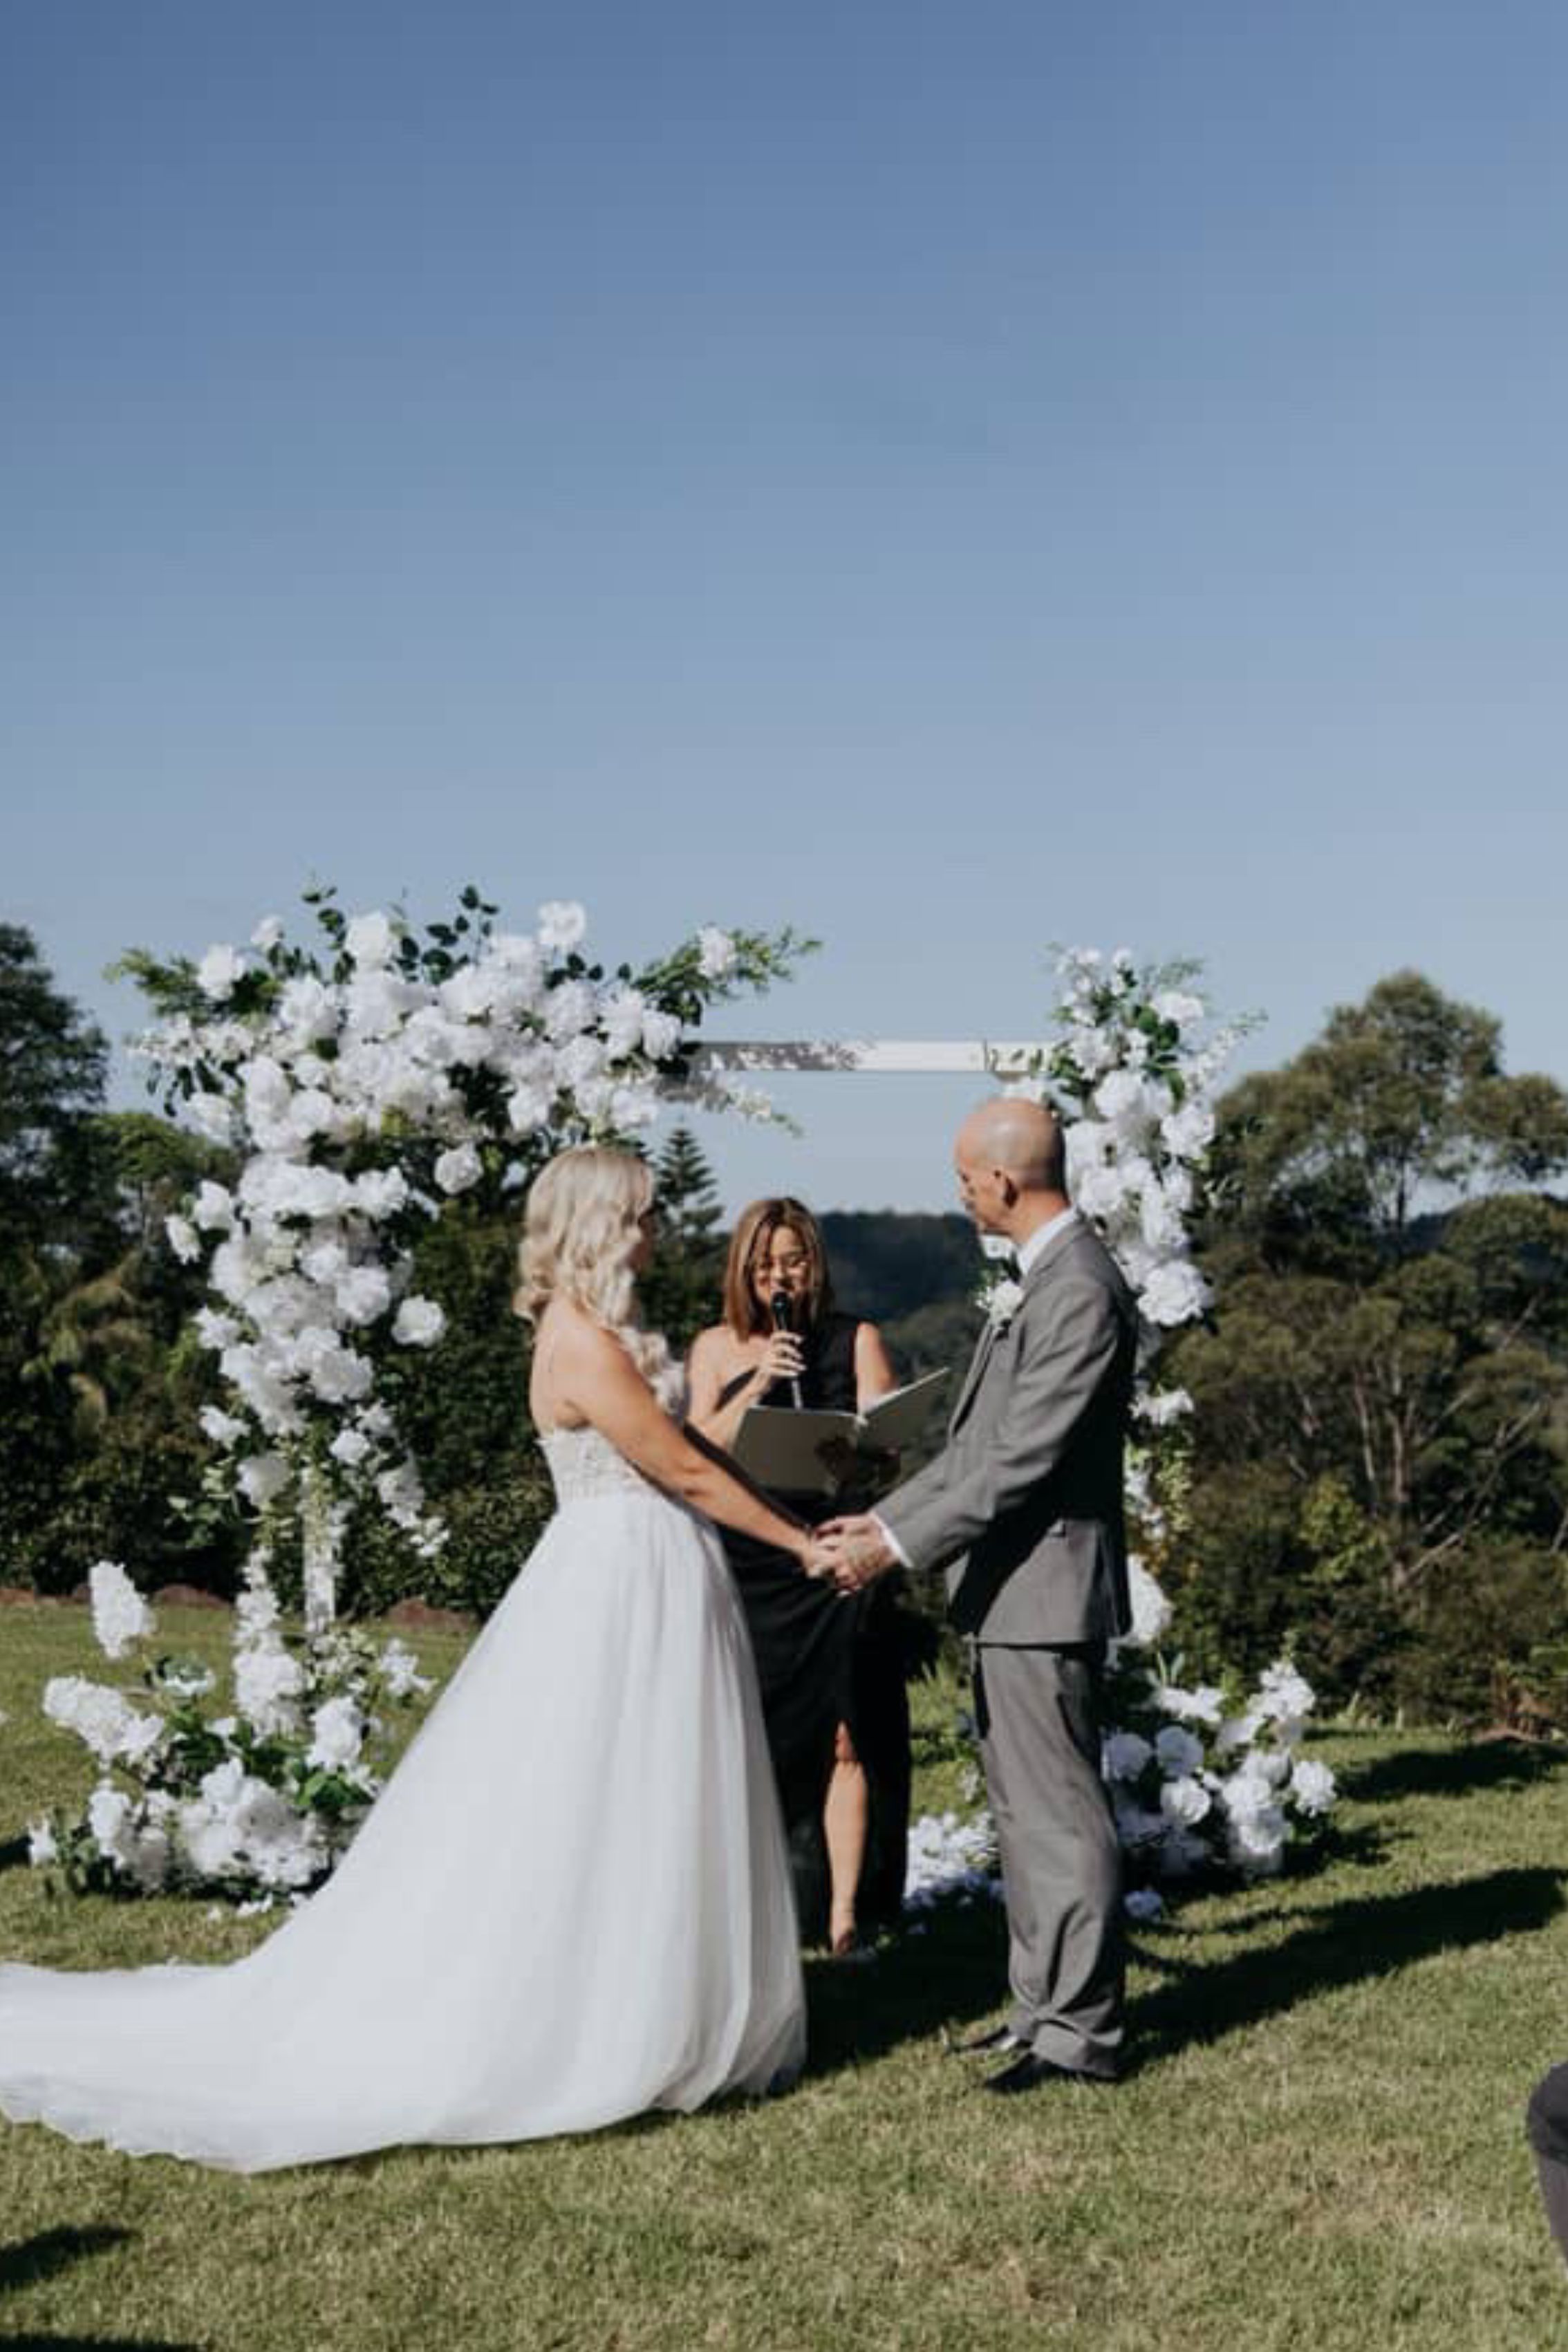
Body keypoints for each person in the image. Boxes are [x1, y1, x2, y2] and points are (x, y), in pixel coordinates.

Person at [0, 1146, 819, 2172]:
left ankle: (662, 2005)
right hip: (621, 1581)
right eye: (644, 1214)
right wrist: (802, 1542)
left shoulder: (601, 1329)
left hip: (655, 1572)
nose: (658, 1231)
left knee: (652, 1792)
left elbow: (689, 1453)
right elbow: (684, 1470)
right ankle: (599, 2019)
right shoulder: (580, 1340)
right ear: (600, 1224)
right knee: (607, 1792)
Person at [822, 1098, 1136, 2092]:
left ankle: (1079, 2035)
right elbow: (971, 1453)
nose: (960, 1195)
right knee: (1023, 1812)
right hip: (1010, 1590)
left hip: (1045, 1590)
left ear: (1002, 1180)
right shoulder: (1046, 1279)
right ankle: (1039, 2012)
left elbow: (1022, 1458)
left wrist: (892, 1549)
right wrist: (879, 1523)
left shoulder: (1078, 1287)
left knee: (1060, 1817)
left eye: (964, 1179)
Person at [687, 1197, 913, 1957]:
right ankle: (771, 1902)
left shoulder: (857, 1339)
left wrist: (866, 1457)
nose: (779, 1278)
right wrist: (756, 1384)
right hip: (753, 1558)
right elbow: (692, 1451)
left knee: (847, 1732)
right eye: (764, 1266)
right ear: (742, 1272)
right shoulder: (714, 1348)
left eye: (792, 1261)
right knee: (761, 1730)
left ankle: (847, 1914)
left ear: (814, 1264)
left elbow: (887, 1451)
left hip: (836, 1551)